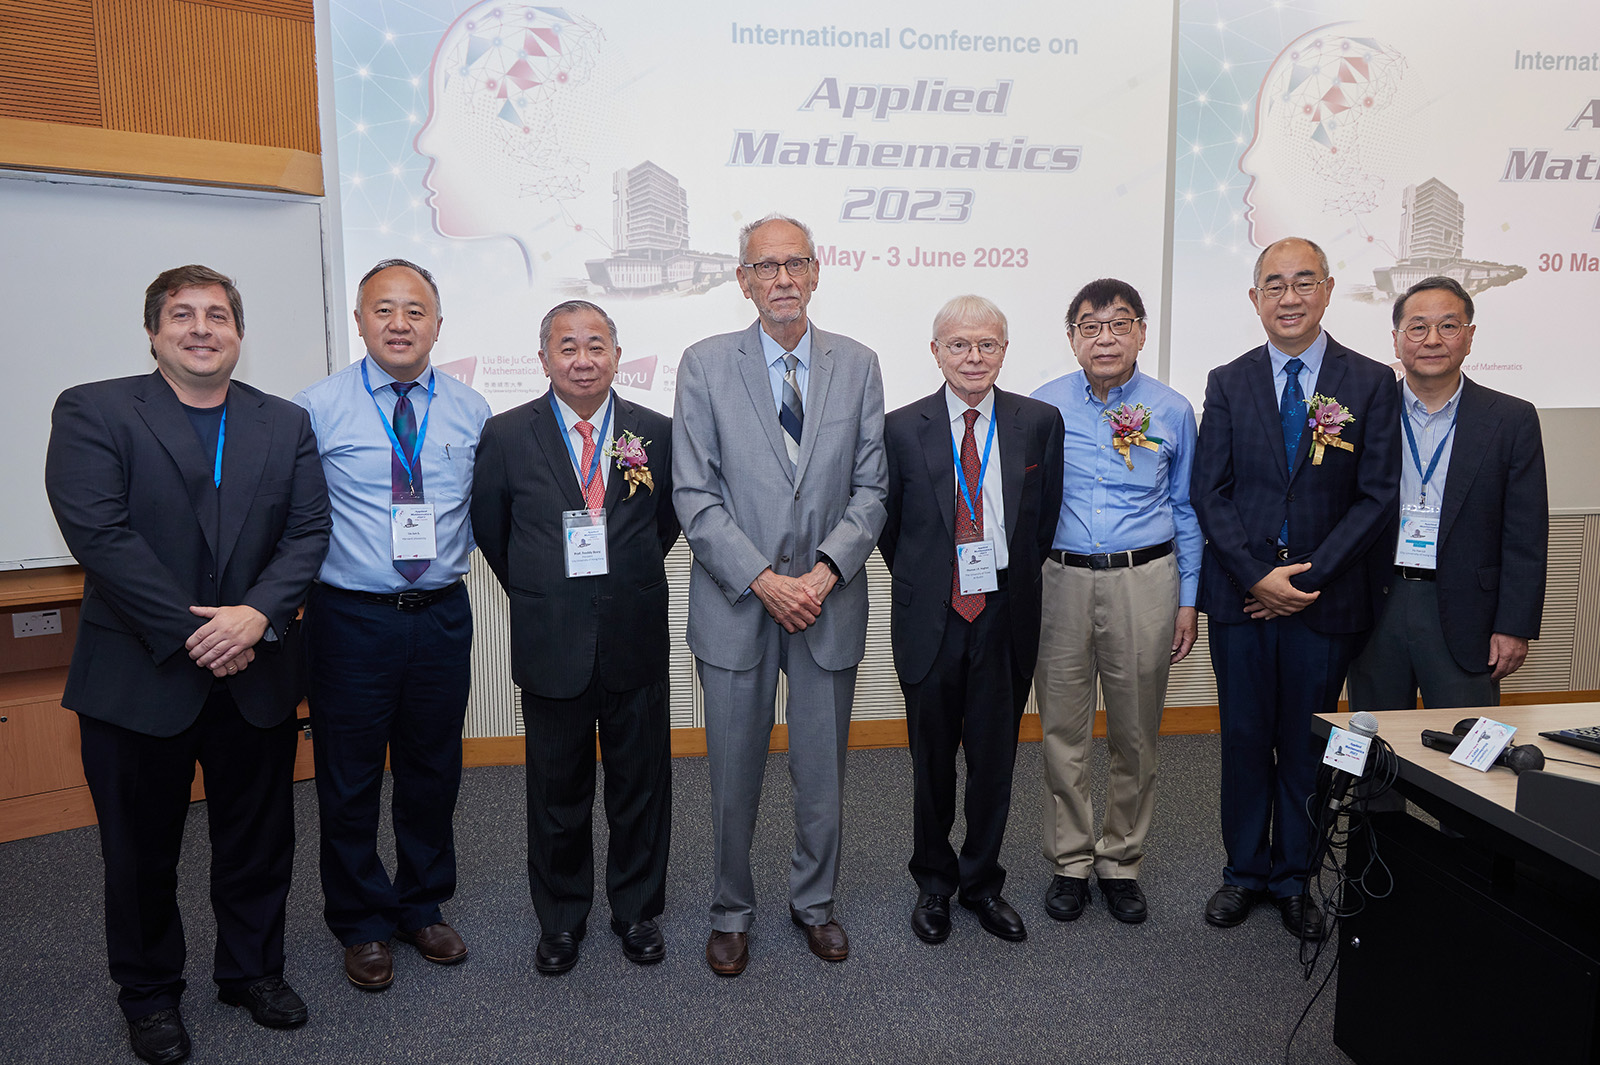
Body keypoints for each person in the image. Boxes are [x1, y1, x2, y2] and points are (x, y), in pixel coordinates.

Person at [44, 265, 331, 1064]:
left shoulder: (285, 422)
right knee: (139, 852)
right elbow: (99, 535)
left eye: (218, 316)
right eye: (183, 315)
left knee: (259, 839)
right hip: (140, 673)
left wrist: (254, 616)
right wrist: (197, 631)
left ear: (239, 333)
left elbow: (308, 533)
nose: (202, 328)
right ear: (154, 330)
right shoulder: (95, 409)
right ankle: (148, 993)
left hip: (258, 672)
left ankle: (251, 971)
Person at [672, 213, 887, 976]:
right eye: (766, 266)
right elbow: (693, 493)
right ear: (743, 280)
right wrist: (765, 580)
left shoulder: (858, 364)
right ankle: (731, 909)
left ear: (817, 271)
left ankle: (814, 902)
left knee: (822, 770)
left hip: (829, 600)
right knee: (733, 772)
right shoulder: (703, 365)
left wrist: (824, 572)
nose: (782, 278)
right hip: (739, 602)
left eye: (795, 263)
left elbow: (872, 488)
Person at [1192, 237, 1400, 940]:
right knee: (1245, 736)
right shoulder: (1228, 380)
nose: (1289, 296)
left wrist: (1303, 579)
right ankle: (1244, 871)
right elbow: (1209, 490)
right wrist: (1256, 575)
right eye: (1273, 284)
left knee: (1305, 742)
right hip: (1242, 598)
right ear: (1254, 299)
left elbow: (1376, 498)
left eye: (1303, 282)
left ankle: (1294, 878)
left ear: (1329, 290)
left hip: (1324, 599)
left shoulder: (1370, 381)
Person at [293, 259, 491, 990]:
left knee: (433, 767)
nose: (400, 323)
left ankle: (420, 902)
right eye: (384, 310)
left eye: (415, 311)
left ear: (438, 324)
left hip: (440, 614)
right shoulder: (315, 408)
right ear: (359, 320)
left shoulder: (471, 410)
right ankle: (361, 919)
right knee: (348, 775)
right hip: (351, 617)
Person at [471, 300, 680, 975]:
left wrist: (620, 579)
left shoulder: (655, 431)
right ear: (544, 359)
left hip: (633, 630)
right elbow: (491, 529)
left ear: (617, 355)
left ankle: (637, 909)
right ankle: (561, 918)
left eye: (596, 345)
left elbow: (667, 521)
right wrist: (545, 590)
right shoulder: (506, 434)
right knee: (556, 791)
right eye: (568, 346)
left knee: (640, 785)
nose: (583, 358)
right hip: (550, 636)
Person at [879, 295, 1062, 945]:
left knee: (994, 760)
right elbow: (891, 530)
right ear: (935, 352)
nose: (973, 356)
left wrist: (997, 581)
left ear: (1004, 351)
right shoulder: (902, 426)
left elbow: (1041, 521)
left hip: (1005, 615)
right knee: (931, 762)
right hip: (932, 615)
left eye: (987, 344)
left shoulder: (1039, 422)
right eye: (959, 344)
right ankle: (933, 882)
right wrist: (940, 577)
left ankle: (982, 881)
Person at [1031, 279, 1201, 925]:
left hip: (1144, 581)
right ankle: (1071, 858)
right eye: (1090, 325)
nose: (1105, 337)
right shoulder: (1042, 408)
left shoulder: (1173, 409)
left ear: (1141, 332)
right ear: (1072, 337)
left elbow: (1186, 508)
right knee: (1062, 731)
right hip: (1062, 581)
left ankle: (1121, 859)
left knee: (1135, 732)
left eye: (1119, 323)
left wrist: (1189, 599)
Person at [1346, 276, 1547, 715]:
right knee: (1377, 752)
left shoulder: (1511, 419)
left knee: (1467, 755)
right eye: (1417, 328)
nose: (1432, 340)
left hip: (1466, 610)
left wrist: (1514, 626)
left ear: (1470, 337)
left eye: (1448, 326)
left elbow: (1526, 535)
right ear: (1397, 341)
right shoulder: (1362, 414)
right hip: (1379, 602)